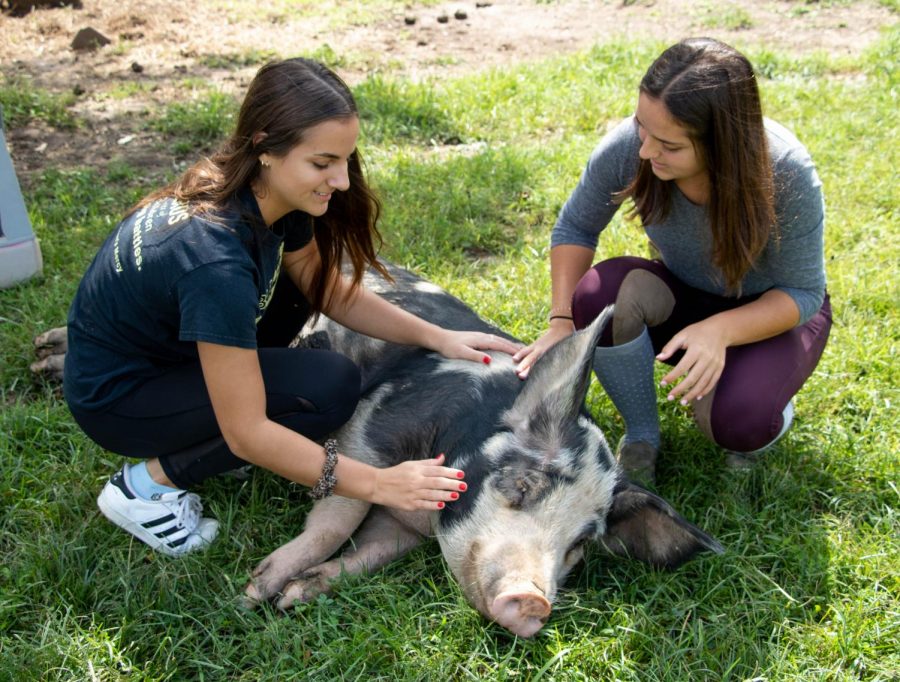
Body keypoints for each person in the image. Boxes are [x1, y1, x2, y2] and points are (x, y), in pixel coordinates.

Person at [64, 58, 519, 557]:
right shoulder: (215, 264)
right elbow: (249, 433)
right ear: (264, 148)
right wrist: (378, 484)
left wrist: (435, 335)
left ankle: (201, 425)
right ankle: (144, 486)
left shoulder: (261, 196)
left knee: (303, 304)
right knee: (323, 392)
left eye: (345, 160)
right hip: (117, 400)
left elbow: (325, 288)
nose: (342, 181)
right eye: (322, 164)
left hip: (164, 355)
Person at [512, 38, 832, 484]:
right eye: (643, 126)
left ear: (723, 143)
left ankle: (763, 400)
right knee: (597, 293)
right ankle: (642, 437)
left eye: (669, 144)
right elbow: (575, 229)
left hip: (773, 314)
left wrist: (720, 331)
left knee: (737, 424)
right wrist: (561, 320)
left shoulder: (787, 172)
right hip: (681, 297)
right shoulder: (634, 145)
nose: (645, 151)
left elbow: (804, 292)